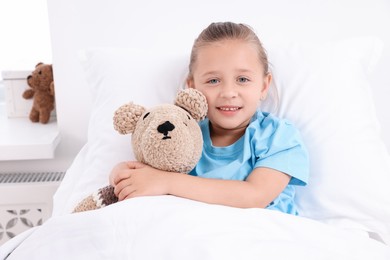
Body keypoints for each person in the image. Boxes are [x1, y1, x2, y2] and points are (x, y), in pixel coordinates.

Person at [109, 22, 309, 215]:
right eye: (213, 80)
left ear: (264, 86)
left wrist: (166, 182)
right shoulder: (185, 136)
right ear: (193, 88)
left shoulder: (279, 136)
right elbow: (147, 175)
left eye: (242, 79)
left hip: (265, 236)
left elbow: (254, 196)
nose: (229, 92)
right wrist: (123, 174)